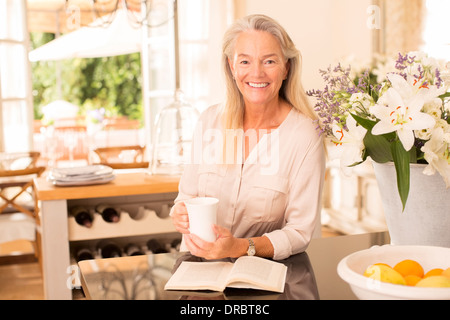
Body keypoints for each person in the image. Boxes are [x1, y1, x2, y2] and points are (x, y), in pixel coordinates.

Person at [170, 14, 326, 261]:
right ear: (232, 67)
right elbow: (187, 197)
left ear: (286, 68)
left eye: (269, 61)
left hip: (261, 278)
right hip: (198, 271)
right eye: (245, 61)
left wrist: (240, 247)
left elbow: (299, 232)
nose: (257, 72)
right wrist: (179, 212)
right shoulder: (209, 121)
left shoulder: (305, 136)